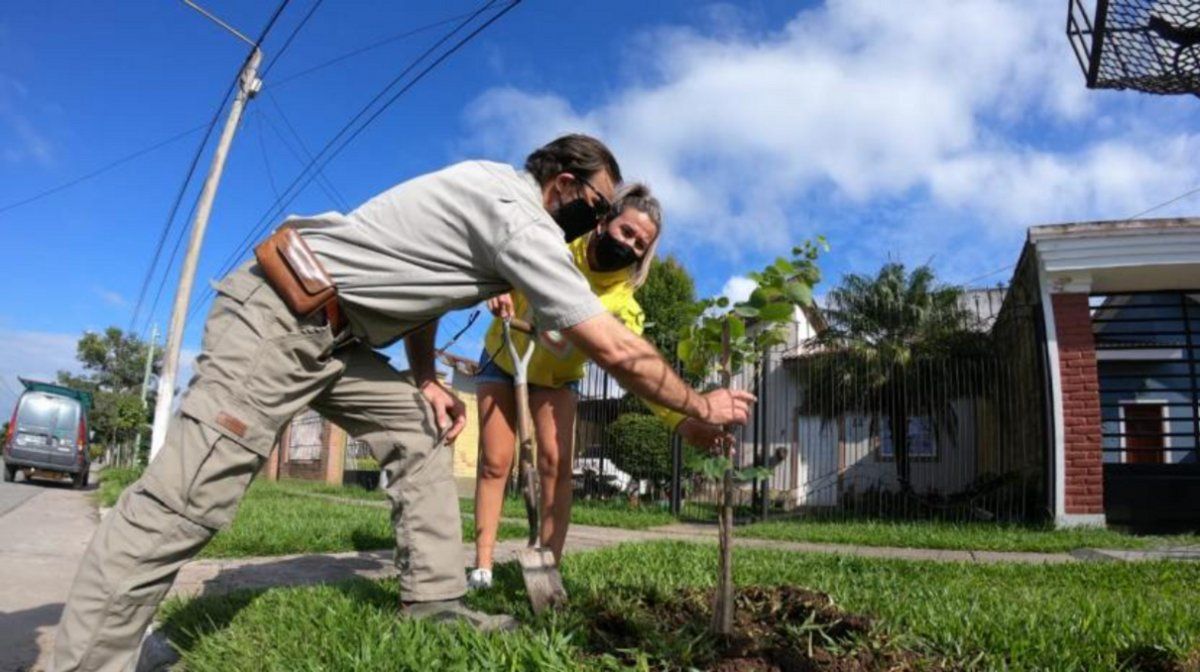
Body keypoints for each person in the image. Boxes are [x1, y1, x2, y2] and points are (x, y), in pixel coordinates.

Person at [51, 134, 755, 672]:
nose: (597, 225)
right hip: (280, 317)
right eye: (599, 208)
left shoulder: (491, 198)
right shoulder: (519, 216)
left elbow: (426, 294)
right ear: (564, 185)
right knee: (188, 496)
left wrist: (425, 379)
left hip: (339, 336)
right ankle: (92, 658)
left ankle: (436, 605)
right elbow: (609, 346)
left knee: (419, 430)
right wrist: (699, 404)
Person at [468, 183, 727, 588]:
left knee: (556, 467)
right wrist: (499, 289)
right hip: (504, 357)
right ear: (605, 221)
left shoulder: (622, 306)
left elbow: (637, 369)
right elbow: (505, 258)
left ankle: (547, 570)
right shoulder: (554, 244)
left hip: (557, 379)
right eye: (627, 231)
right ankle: (483, 566)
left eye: (640, 244)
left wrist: (683, 420)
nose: (630, 245)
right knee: (495, 462)